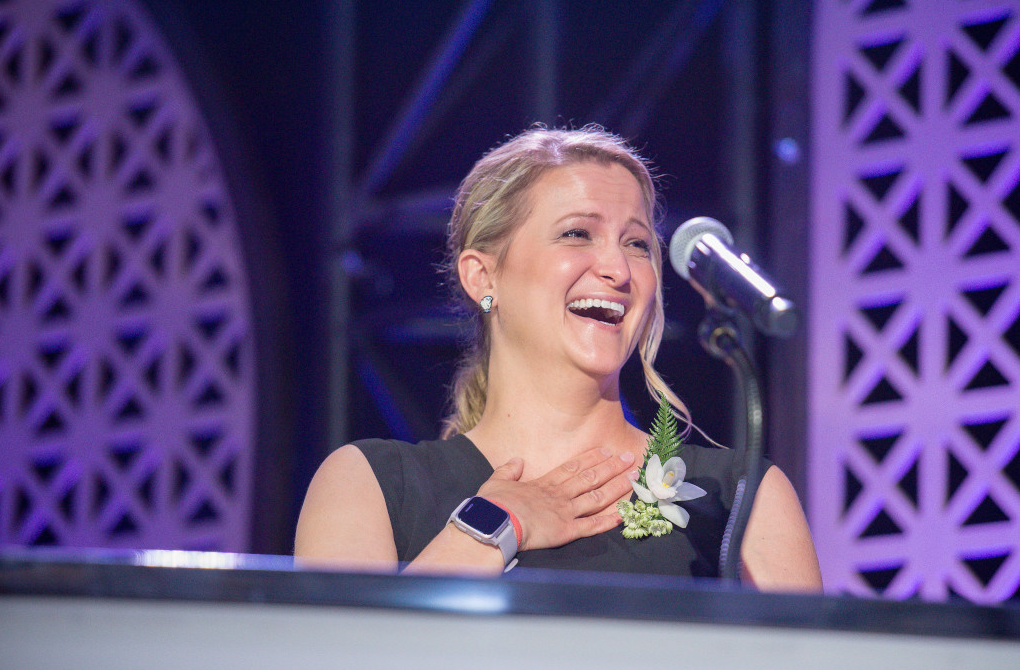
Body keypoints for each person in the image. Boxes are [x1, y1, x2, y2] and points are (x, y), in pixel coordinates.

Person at [295, 124, 821, 591]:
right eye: (577, 234)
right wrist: (493, 527)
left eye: (637, 244)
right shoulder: (372, 484)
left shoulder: (740, 498)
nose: (618, 268)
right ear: (483, 276)